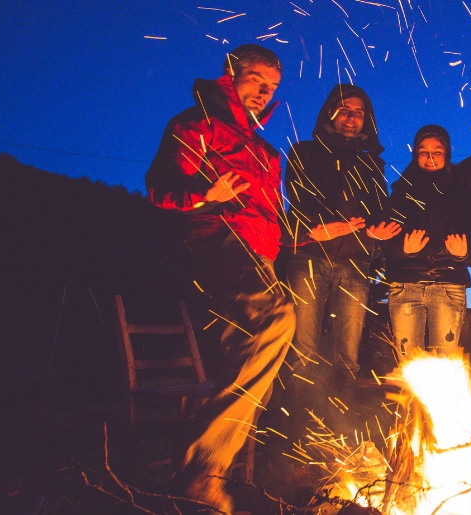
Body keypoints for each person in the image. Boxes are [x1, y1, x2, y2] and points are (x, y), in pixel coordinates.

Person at [144, 44, 294, 512]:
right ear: (231, 75)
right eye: (255, 79)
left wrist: (315, 234)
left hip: (258, 255)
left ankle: (198, 476)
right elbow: (158, 188)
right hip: (216, 242)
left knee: (251, 362)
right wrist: (205, 194)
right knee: (278, 317)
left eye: (271, 86)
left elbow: (272, 220)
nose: (262, 91)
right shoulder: (199, 125)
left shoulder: (268, 152)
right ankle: (203, 468)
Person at [283, 84, 401, 387]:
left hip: (355, 262)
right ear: (330, 113)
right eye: (345, 111)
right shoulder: (304, 152)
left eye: (359, 113)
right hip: (308, 259)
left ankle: (341, 424)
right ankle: (298, 422)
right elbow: (297, 199)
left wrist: (378, 229)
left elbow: (378, 206)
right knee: (303, 349)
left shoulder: (370, 162)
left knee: (347, 354)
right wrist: (317, 227)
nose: (352, 118)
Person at [384, 125, 471, 354]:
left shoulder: (463, 193)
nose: (430, 157)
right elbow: (384, 239)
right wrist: (403, 248)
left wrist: (464, 251)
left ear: (447, 154)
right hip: (406, 284)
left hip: (448, 283)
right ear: (415, 155)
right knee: (410, 364)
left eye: (437, 151)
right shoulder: (402, 191)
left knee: (447, 363)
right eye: (423, 151)